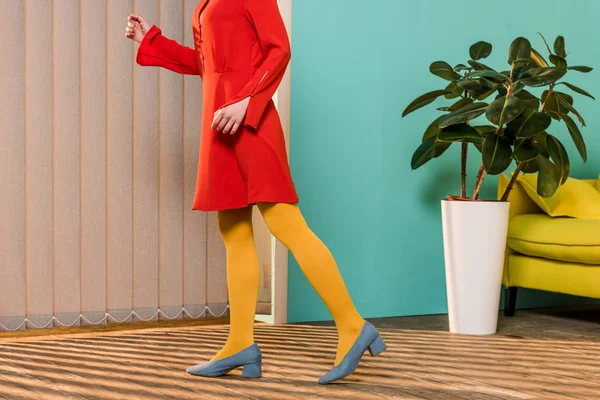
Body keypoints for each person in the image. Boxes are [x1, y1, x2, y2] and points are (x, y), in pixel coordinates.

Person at [125, 0, 386, 384]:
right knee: (233, 233)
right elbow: (208, 64)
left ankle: (352, 326)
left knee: (287, 225)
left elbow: (279, 49)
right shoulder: (205, 4)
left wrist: (248, 102)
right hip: (219, 126)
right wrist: (153, 40)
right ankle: (240, 343)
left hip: (250, 123)